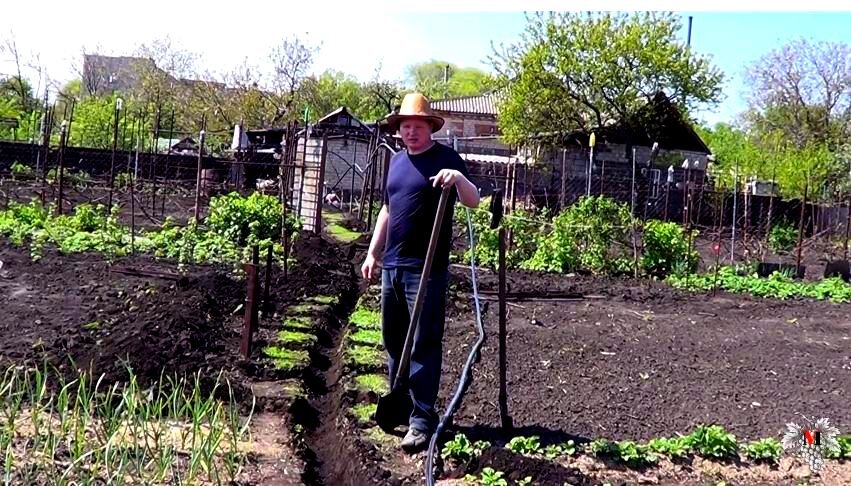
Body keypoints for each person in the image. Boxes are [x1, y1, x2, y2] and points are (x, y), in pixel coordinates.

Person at [361, 93, 480, 453]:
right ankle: (401, 402)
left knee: (424, 343)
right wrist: (372, 251)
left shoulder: (445, 159)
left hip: (425, 271)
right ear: (399, 129)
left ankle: (422, 419)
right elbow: (387, 209)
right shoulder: (396, 162)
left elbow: (473, 200)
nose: (410, 132)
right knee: (393, 338)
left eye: (417, 125)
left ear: (430, 127)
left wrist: (458, 178)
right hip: (393, 267)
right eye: (405, 126)